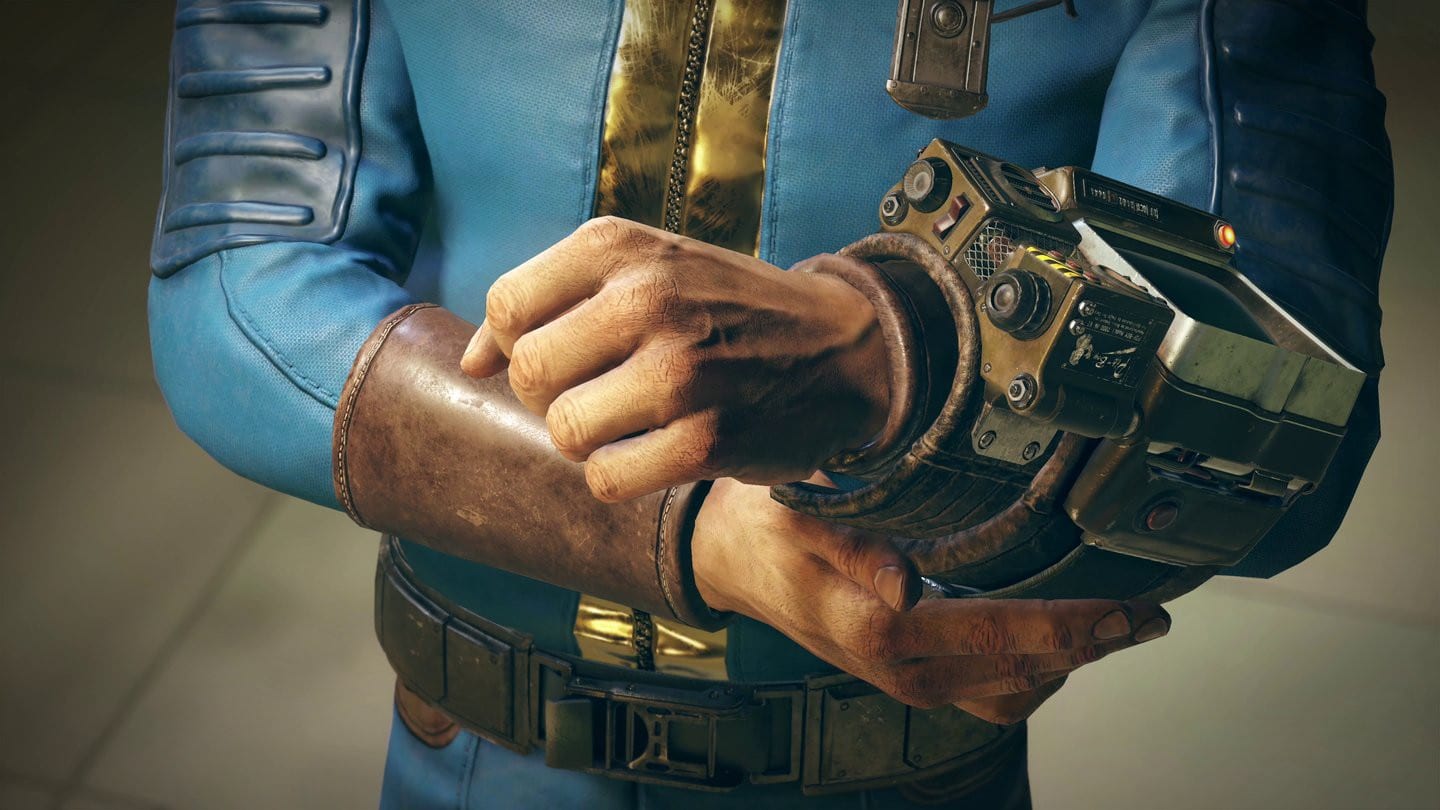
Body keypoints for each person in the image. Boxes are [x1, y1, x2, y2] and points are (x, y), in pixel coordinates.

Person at [148, 0, 1389, 807]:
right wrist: (693, 530)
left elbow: (1295, 409)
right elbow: (229, 288)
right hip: (473, 754)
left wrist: (899, 349)